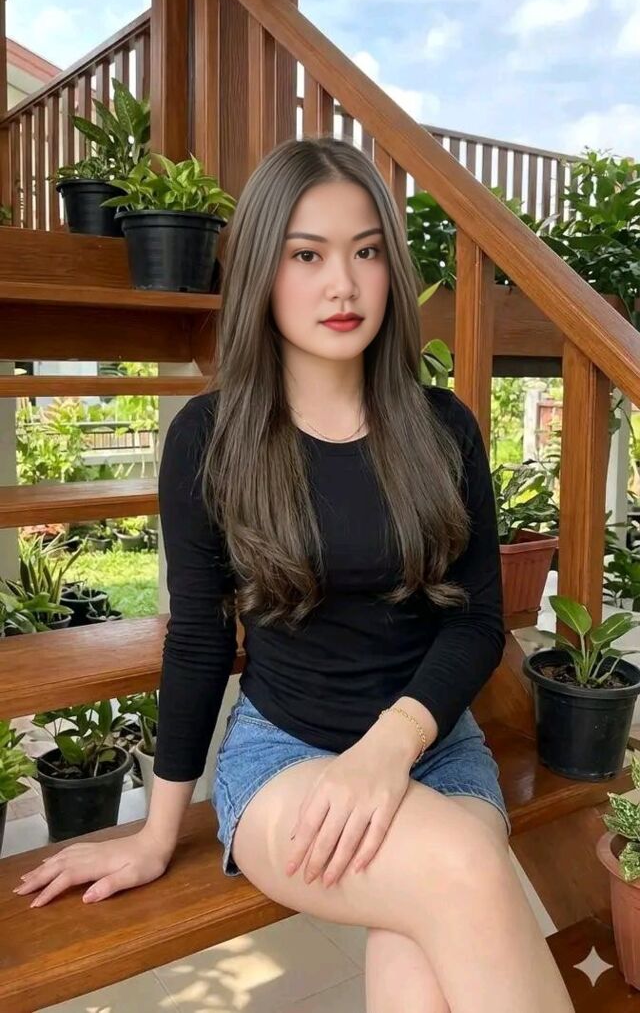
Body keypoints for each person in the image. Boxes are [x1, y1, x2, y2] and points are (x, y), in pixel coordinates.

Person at [14, 137, 574, 1013]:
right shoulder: (211, 439)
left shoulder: (443, 428)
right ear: (262, 274)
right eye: (306, 255)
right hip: (286, 759)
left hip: (433, 749)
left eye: (366, 252)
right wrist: (157, 834)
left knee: (417, 953)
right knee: (465, 869)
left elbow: (474, 622)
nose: (342, 285)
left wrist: (388, 750)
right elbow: (199, 641)